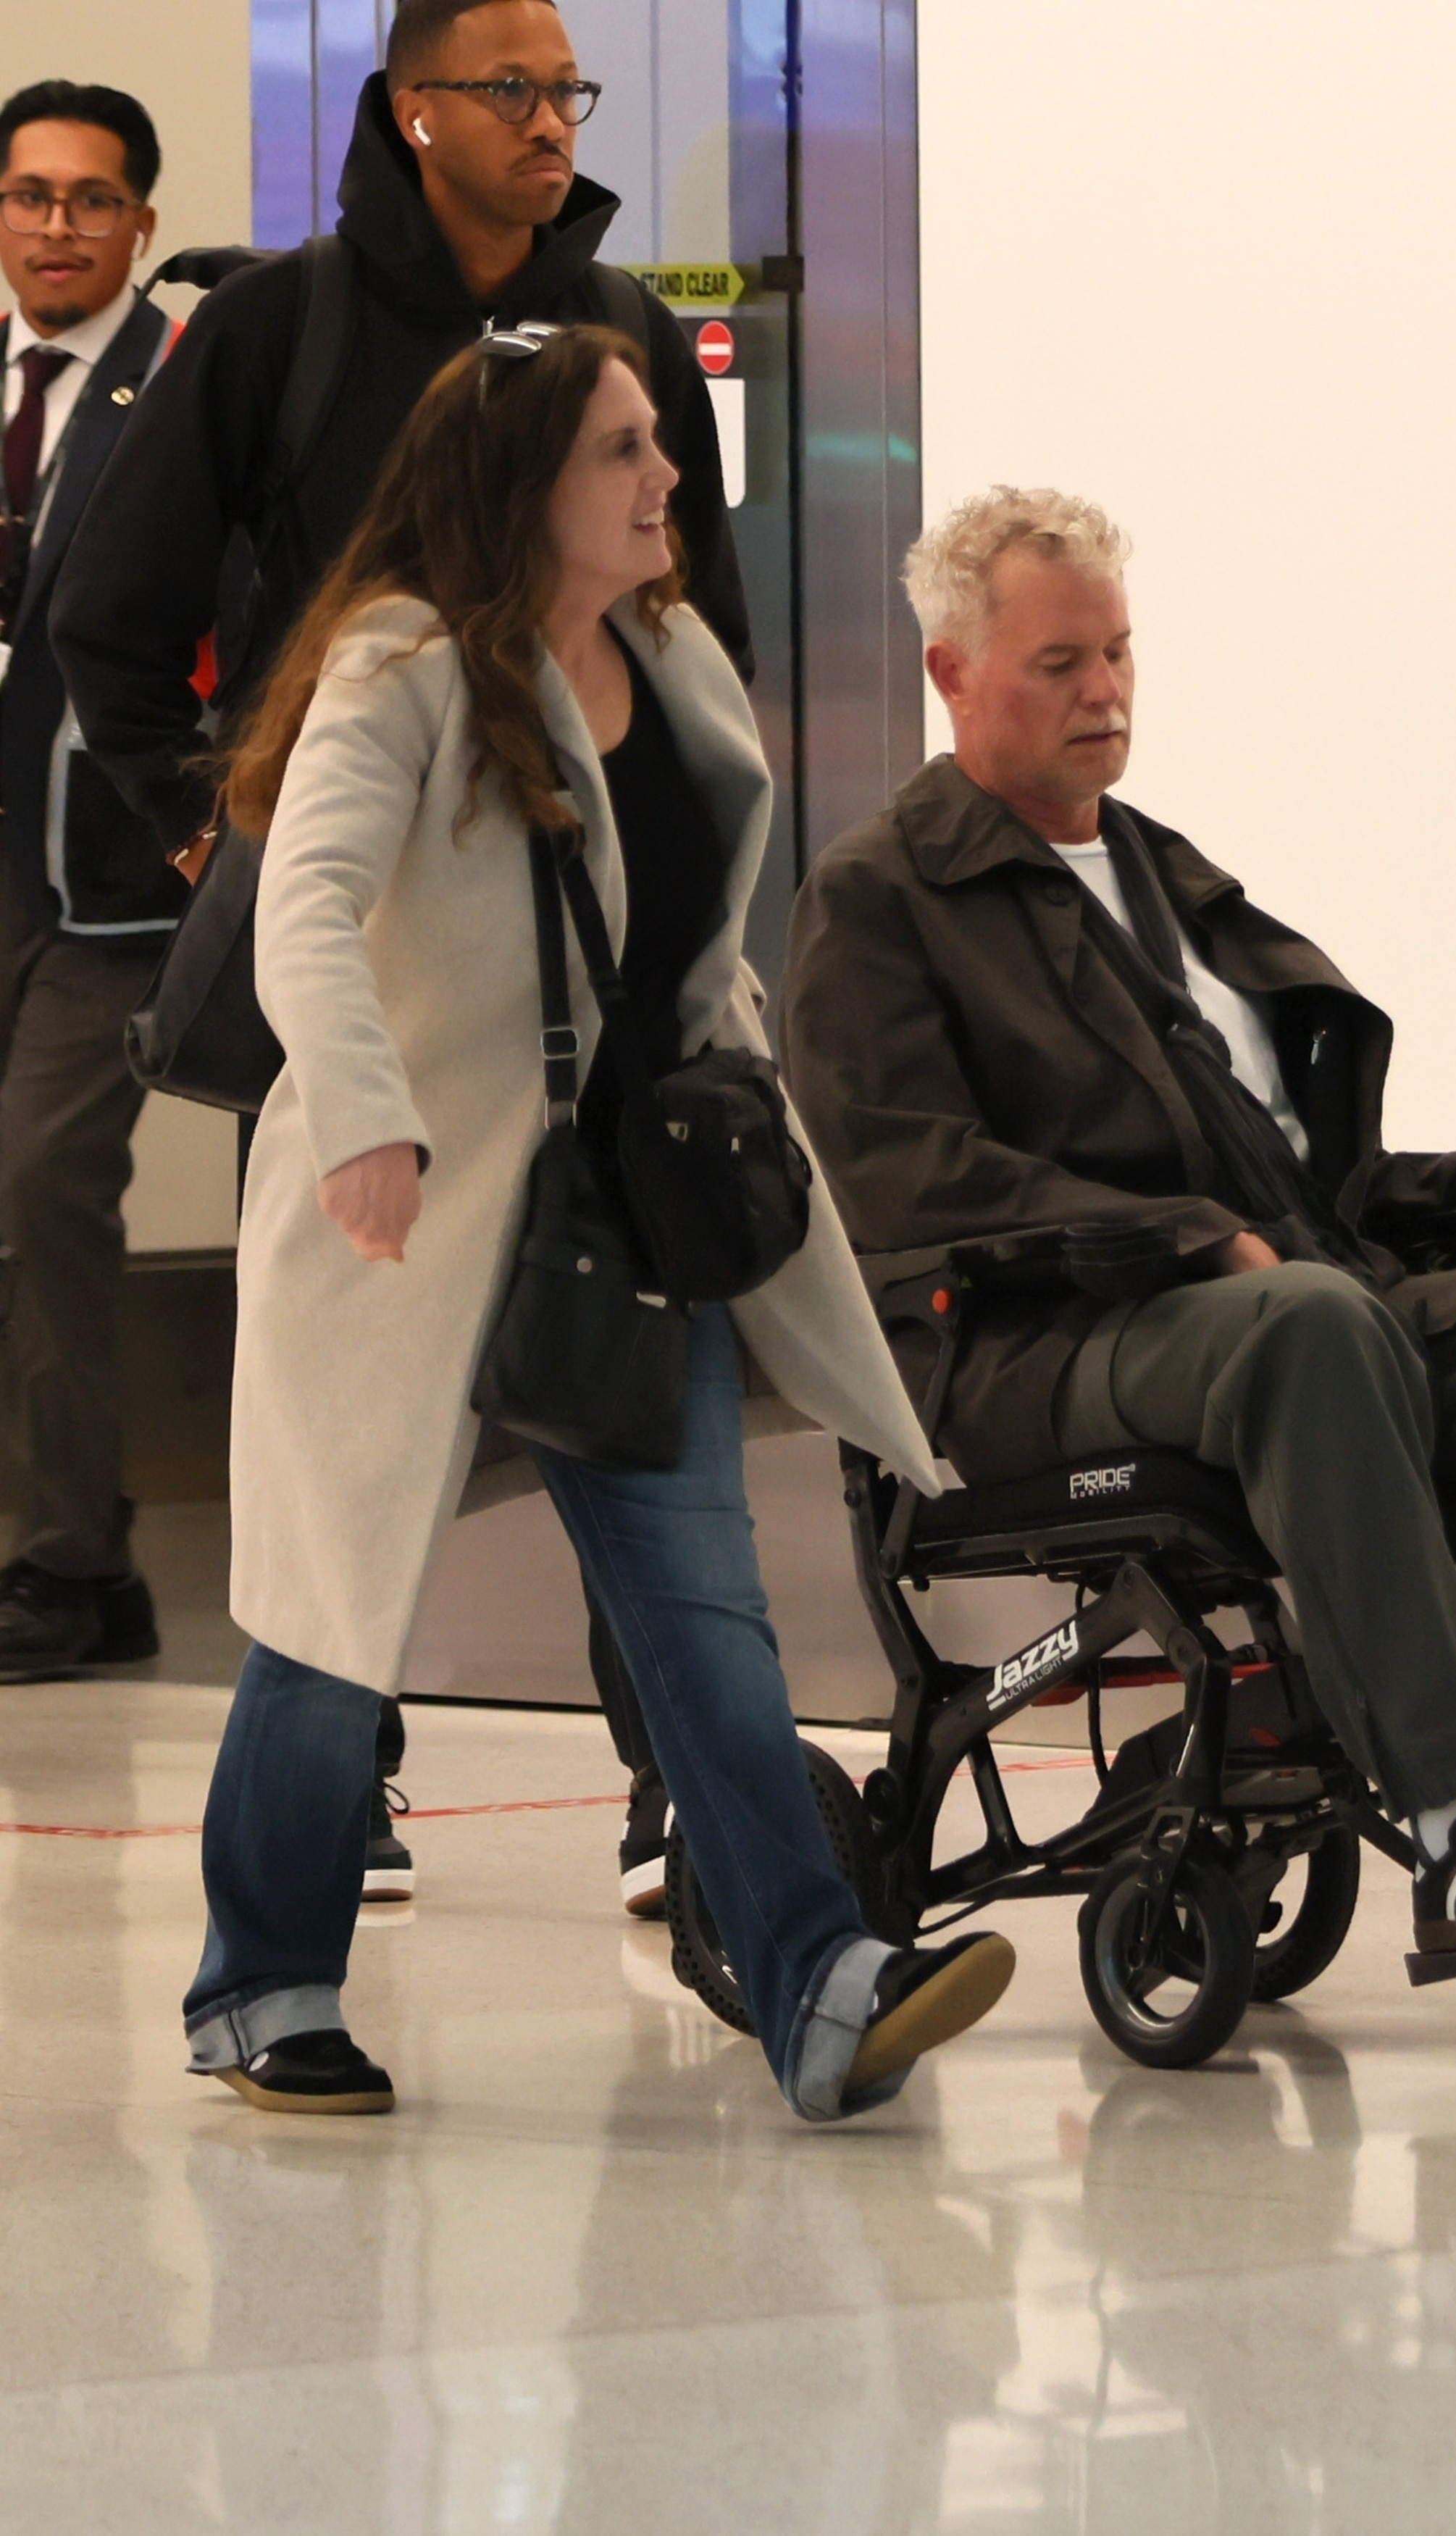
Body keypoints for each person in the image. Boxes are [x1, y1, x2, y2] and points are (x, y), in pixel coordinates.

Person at [782, 486, 1456, 1959]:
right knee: (1308, 1318)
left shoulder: (1160, 880)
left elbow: (1295, 1197)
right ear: (952, 676)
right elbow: (902, 1183)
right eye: (1059, 663)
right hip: (1031, 1354)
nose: (1106, 692)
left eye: (1120, 654)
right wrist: (1187, 1238)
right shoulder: (879, 897)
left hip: (1282, 1311)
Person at [183, 323, 1013, 2119]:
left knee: (701, 1612)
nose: (664, 481)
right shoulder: (400, 665)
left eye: (657, 444)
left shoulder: (673, 652)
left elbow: (691, 932)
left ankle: (815, 1983)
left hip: (628, 1211)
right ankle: (261, 1981)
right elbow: (305, 910)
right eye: (624, 452)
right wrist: (367, 1123)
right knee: (334, 1620)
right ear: (525, 490)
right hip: (403, 1215)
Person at [52, 0, 749, 1895]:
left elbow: (711, 624)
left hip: (588, 971)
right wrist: (223, 825)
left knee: (630, 1345)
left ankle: (674, 1785)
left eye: (566, 90)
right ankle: (334, 1767)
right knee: (348, 1395)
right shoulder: (277, 330)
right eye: (509, 89)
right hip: (360, 966)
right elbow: (105, 622)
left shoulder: (619, 335)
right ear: (409, 111)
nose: (550, 120)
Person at [0, 81, 182, 1681]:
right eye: (31, 195)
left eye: (88, 198)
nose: (57, 225)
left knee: (45, 1189)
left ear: (137, 220)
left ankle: (66, 1566)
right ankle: (67, 1551)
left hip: (107, 876)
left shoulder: (179, 381)